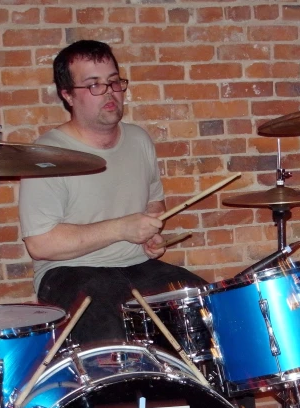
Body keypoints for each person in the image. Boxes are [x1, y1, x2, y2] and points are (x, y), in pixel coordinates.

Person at [19, 40, 206, 346]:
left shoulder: (139, 140)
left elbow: (153, 204)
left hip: (137, 265)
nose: (109, 92)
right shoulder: (47, 154)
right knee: (113, 338)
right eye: (94, 85)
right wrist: (122, 228)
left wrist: (150, 233)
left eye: (114, 81)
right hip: (70, 272)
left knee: (208, 312)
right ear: (67, 95)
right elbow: (40, 244)